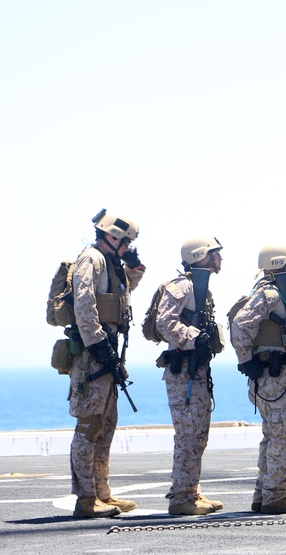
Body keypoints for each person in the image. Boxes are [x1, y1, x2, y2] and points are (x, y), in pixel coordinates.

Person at [67, 209, 145, 518]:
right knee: (90, 426)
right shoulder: (92, 259)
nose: (126, 247)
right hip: (93, 356)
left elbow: (122, 296)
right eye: (125, 242)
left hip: (107, 354)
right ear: (111, 236)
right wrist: (98, 344)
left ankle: (102, 492)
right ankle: (86, 498)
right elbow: (85, 304)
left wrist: (133, 266)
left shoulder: (109, 263)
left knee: (106, 426)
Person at [231, 246, 286, 515]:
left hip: (272, 378)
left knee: (272, 437)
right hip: (271, 378)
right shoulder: (271, 292)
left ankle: (263, 493)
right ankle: (275, 495)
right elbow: (241, 324)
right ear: (280, 265)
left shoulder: (273, 293)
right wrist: (246, 360)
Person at [154, 237, 226, 516]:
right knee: (188, 434)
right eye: (215, 254)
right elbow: (164, 321)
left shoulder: (200, 289)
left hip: (196, 370)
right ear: (200, 256)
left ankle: (190, 490)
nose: (220, 259)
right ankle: (181, 497)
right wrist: (195, 337)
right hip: (182, 370)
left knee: (198, 434)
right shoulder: (182, 286)